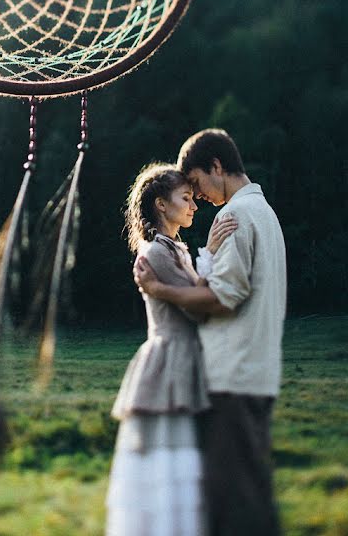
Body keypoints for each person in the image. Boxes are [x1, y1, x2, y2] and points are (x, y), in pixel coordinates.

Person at [134, 129, 287, 536]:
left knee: (232, 501)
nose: (198, 195)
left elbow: (223, 298)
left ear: (216, 167)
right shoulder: (264, 212)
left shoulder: (234, 216)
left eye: (197, 183)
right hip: (257, 371)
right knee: (250, 491)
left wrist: (160, 290)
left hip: (231, 375)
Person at [106, 163, 237, 536]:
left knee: (185, 468)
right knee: (171, 468)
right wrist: (210, 251)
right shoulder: (158, 253)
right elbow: (197, 308)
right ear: (161, 205)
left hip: (183, 358)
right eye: (185, 199)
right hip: (171, 363)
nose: (194, 206)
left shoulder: (172, 249)